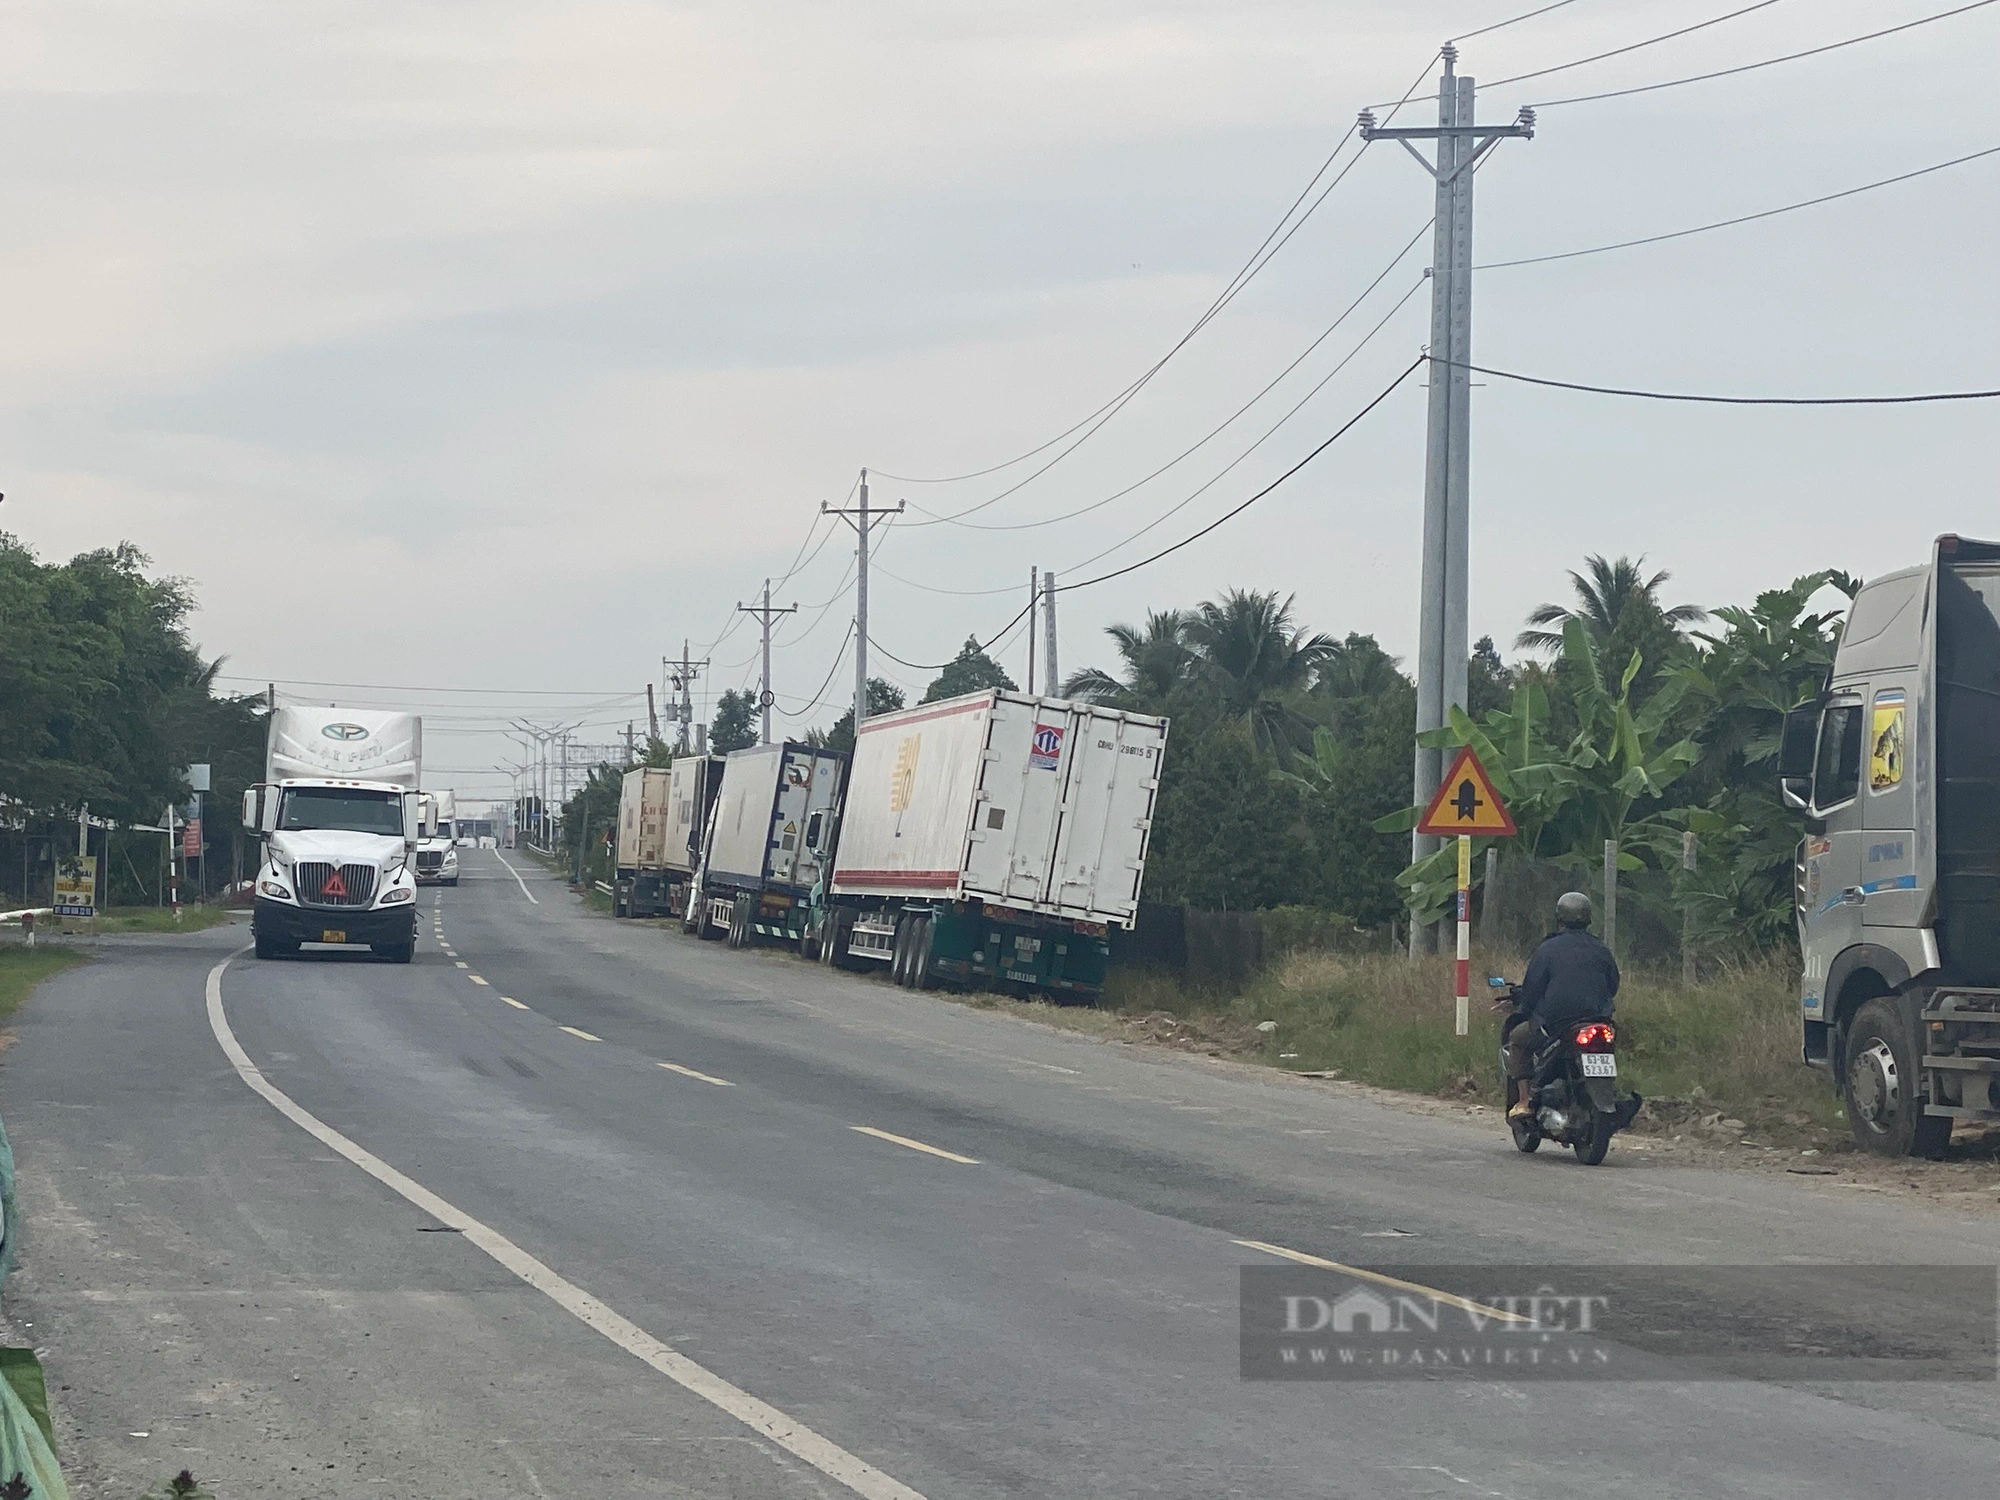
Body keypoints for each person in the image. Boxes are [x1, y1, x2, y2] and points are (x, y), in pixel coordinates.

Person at [1503, 891, 1620, 1120]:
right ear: (1588, 918)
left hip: (1556, 1025)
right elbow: (1613, 984)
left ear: (1559, 917)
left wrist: (1523, 1009)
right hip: (1599, 1022)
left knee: (1517, 1039)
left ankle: (1525, 1100)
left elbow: (1533, 989)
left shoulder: (1547, 949)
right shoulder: (1602, 950)